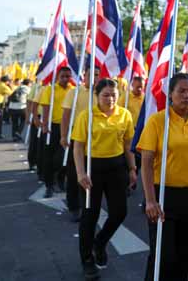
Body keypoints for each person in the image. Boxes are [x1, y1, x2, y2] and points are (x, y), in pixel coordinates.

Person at [137, 73, 188, 281]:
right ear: (170, 94)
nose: (187, 95)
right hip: (163, 195)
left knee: (185, 257)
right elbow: (146, 162)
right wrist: (149, 200)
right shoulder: (157, 121)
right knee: (162, 258)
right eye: (181, 91)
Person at [72, 78, 135, 279]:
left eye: (114, 95)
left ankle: (100, 242)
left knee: (119, 212)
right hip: (92, 169)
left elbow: (127, 145)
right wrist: (81, 173)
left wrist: (132, 169)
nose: (110, 99)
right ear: (97, 96)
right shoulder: (86, 116)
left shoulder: (124, 115)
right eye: (105, 95)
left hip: (117, 169)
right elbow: (78, 147)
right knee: (89, 216)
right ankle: (87, 259)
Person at [61, 64, 99, 222]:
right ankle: (74, 207)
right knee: (74, 173)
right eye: (91, 74)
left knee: (93, 174)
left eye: (97, 74)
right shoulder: (74, 92)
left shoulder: (102, 94)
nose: (94, 78)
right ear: (84, 76)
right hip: (77, 137)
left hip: (97, 139)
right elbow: (66, 115)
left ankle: (88, 206)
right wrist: (63, 136)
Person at [39, 66, 74, 197]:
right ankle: (49, 185)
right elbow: (45, 106)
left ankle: (60, 179)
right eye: (63, 76)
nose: (65, 79)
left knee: (64, 157)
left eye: (68, 76)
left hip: (68, 127)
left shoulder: (73, 90)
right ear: (58, 77)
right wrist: (45, 124)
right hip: (53, 127)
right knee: (49, 156)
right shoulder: (50, 89)